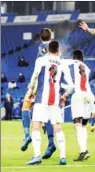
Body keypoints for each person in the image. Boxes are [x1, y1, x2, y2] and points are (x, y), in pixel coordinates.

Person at [26, 40, 74, 165]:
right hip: (55, 100)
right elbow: (71, 86)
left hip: (41, 98)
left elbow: (35, 76)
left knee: (36, 125)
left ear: (48, 50)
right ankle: (63, 157)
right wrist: (64, 96)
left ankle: (36, 156)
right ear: (59, 50)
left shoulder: (41, 60)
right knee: (57, 127)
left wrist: (31, 91)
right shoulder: (63, 63)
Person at [22, 28, 56, 159]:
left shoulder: (42, 47)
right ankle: (51, 143)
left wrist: (32, 86)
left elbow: (39, 67)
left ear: (41, 37)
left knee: (26, 106)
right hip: (53, 84)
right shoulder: (56, 48)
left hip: (40, 83)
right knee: (48, 115)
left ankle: (26, 134)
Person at [63, 49, 94, 161]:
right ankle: (84, 150)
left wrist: (65, 94)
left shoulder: (71, 63)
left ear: (74, 57)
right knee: (83, 125)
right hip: (89, 95)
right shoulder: (88, 68)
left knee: (77, 125)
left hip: (78, 95)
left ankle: (83, 151)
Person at [20, 85, 37, 151]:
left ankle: (27, 136)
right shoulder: (31, 91)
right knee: (25, 122)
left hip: (26, 110)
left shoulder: (32, 91)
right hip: (27, 110)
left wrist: (32, 100)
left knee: (25, 121)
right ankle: (26, 136)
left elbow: (32, 100)